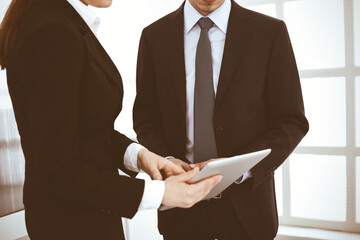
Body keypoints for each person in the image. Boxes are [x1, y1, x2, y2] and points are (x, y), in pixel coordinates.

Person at [0, 0, 222, 239]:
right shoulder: (51, 32)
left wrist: (141, 157)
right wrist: (159, 194)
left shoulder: (59, 21)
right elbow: (57, 172)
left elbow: (86, 129)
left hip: (87, 218)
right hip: (72, 226)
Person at [133, 0, 309, 239]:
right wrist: (167, 161)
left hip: (249, 211)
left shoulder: (269, 32)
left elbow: (291, 120)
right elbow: (146, 118)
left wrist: (240, 168)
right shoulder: (153, 36)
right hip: (181, 213)